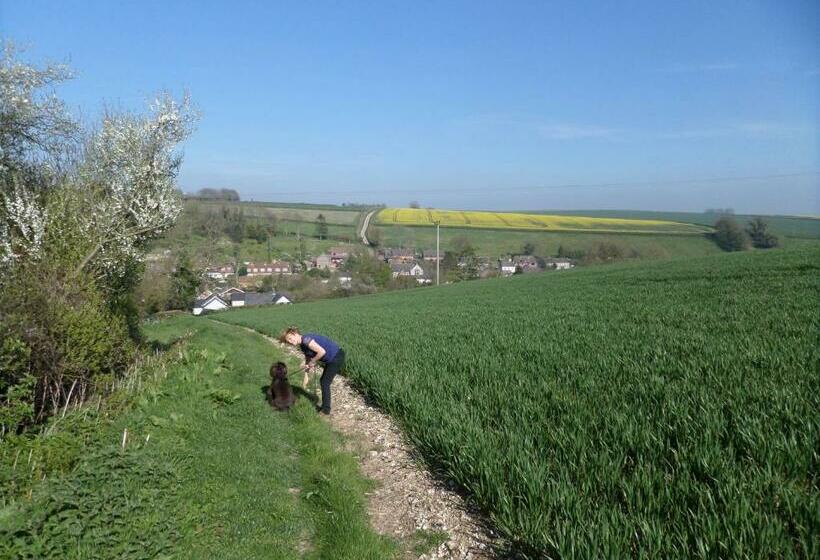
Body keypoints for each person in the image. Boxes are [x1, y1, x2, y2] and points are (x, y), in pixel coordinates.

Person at [279, 326, 345, 415]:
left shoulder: (306, 340)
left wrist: (313, 362)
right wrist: (306, 371)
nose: (290, 342)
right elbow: (308, 358)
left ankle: (326, 410)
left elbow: (322, 352)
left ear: (294, 333)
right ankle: (325, 407)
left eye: (290, 338)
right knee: (324, 381)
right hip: (331, 359)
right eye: (288, 341)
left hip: (336, 357)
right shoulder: (302, 345)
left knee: (325, 382)